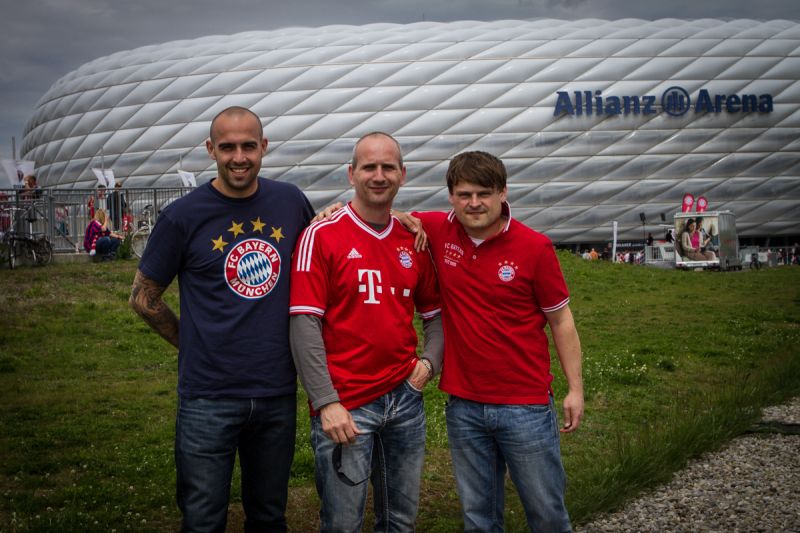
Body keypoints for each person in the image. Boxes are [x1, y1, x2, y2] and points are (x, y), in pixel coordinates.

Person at [129, 106, 314, 532]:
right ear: (210, 149)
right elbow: (143, 298)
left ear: (264, 147)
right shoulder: (183, 216)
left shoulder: (289, 202)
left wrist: (399, 218)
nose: (239, 157)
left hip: (275, 390)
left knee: (269, 516)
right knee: (202, 518)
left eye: (249, 146)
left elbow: (329, 243)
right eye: (227, 147)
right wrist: (190, 342)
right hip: (207, 395)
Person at [413, 151, 583, 532]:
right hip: (465, 405)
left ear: (503, 192)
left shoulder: (534, 247)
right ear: (451, 197)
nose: (474, 203)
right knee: (478, 517)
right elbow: (381, 216)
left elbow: (561, 320)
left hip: (524, 405)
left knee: (546, 513)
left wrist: (575, 389)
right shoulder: (441, 230)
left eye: (484, 193)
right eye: (464, 194)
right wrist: (333, 210)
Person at [289, 132, 443, 532]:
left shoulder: (413, 237)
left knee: (400, 521)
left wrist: (428, 365)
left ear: (403, 175)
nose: (379, 176)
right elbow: (304, 323)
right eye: (369, 167)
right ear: (351, 173)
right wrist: (326, 402)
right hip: (347, 404)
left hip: (405, 399)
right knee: (342, 523)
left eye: (388, 167)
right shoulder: (321, 234)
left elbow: (435, 314)